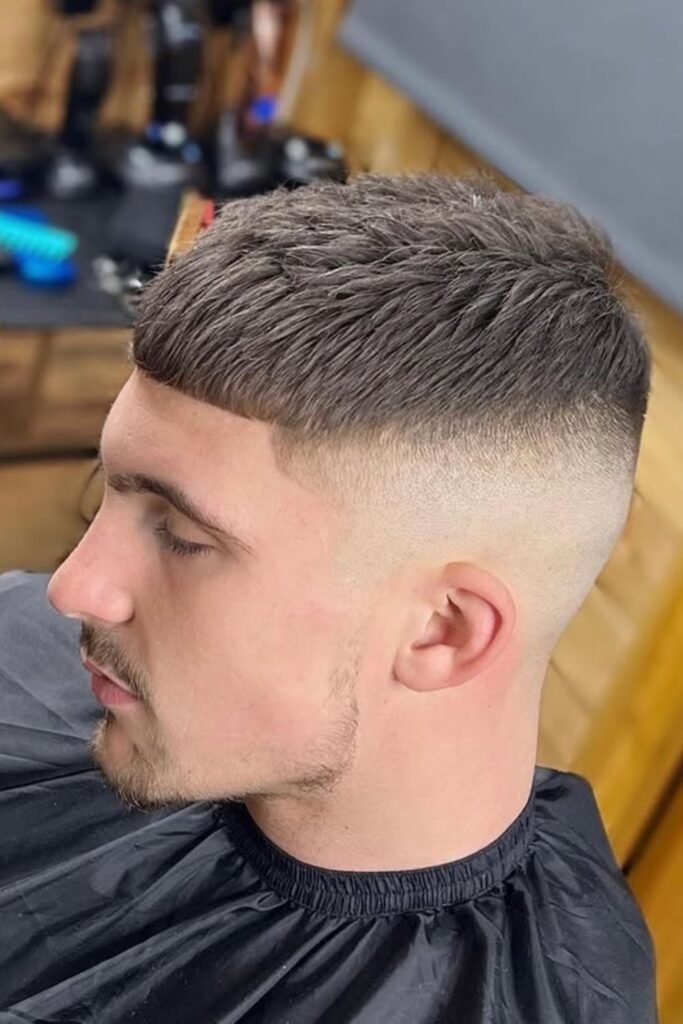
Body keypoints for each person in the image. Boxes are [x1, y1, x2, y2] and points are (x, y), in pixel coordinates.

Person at [0, 175, 656, 1023]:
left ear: (441, 632)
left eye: (182, 536)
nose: (71, 588)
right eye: (108, 488)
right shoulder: (37, 654)